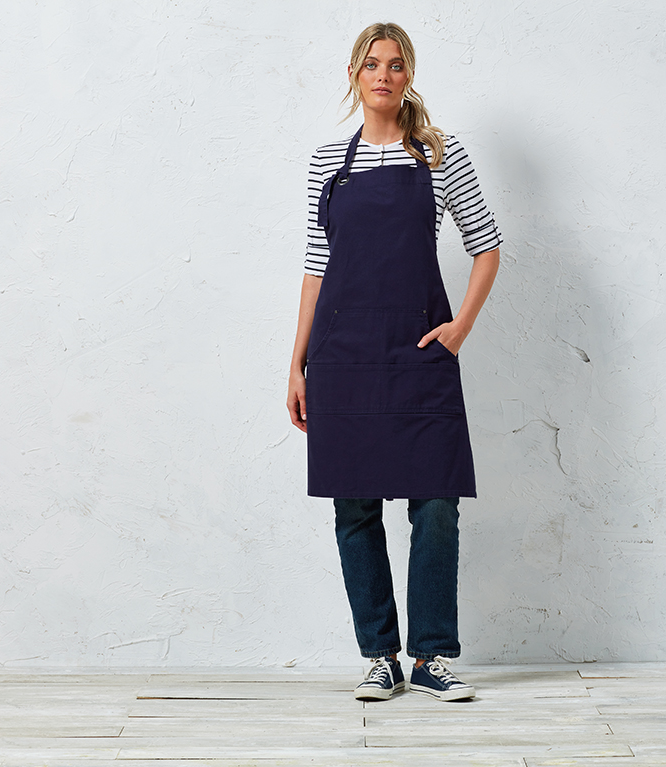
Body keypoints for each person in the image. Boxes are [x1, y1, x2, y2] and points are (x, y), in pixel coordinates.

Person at [287, 22, 501, 702]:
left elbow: (488, 245)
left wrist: (460, 327)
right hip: (343, 354)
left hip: (418, 349)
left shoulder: (439, 153)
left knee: (435, 503)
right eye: (372, 64)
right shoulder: (329, 160)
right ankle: (380, 656)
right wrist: (296, 366)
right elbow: (316, 268)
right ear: (355, 75)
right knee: (355, 505)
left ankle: (432, 656)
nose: (384, 75)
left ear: (409, 76)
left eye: (396, 64)